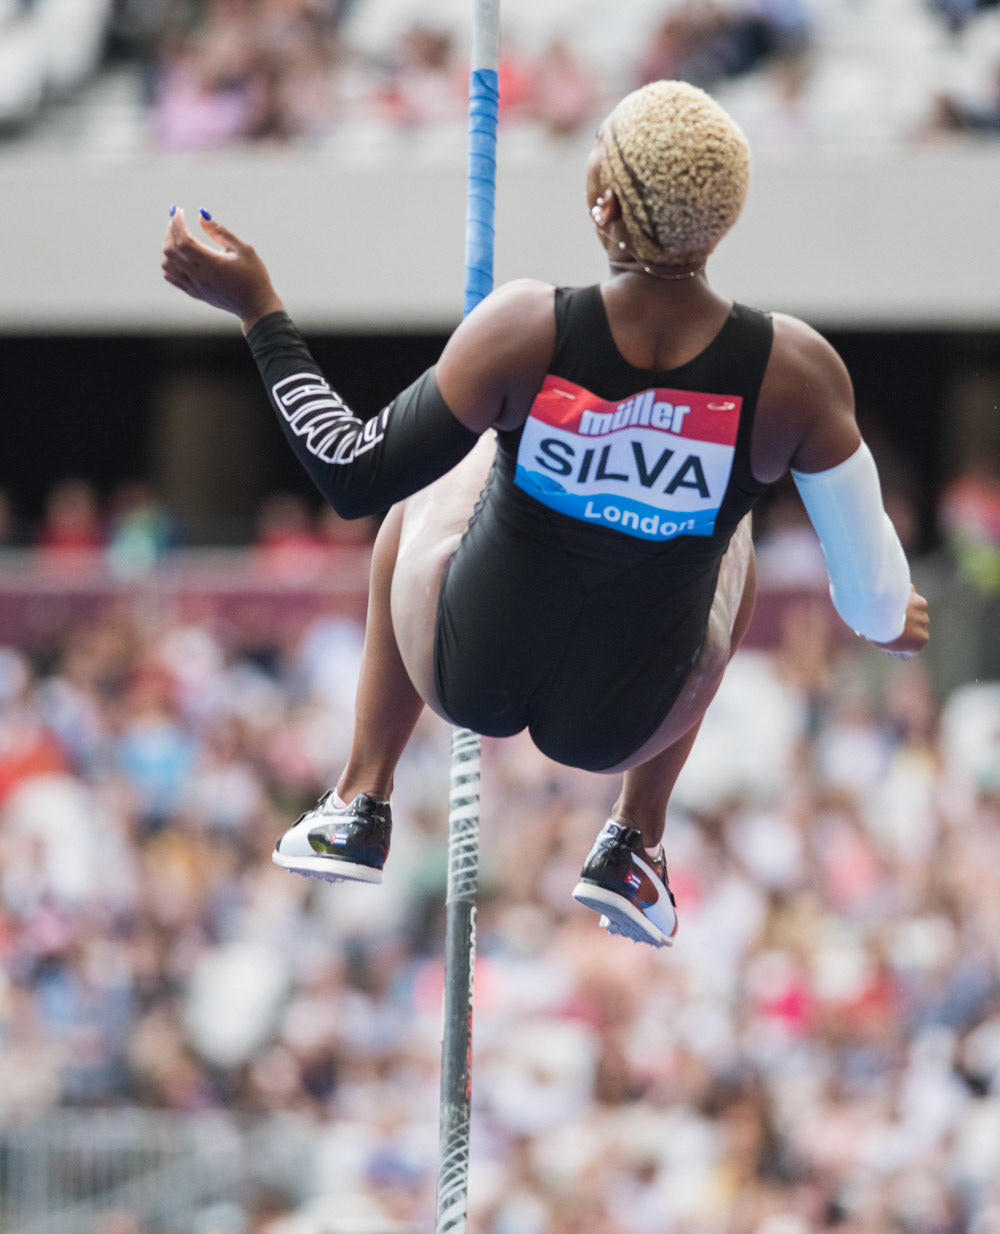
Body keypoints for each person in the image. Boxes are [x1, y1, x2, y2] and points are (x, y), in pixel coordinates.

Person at [161, 80, 929, 949]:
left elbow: (352, 473)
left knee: (454, 455)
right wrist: (890, 615)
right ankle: (634, 842)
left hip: (464, 668)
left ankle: (358, 799)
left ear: (602, 202)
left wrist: (258, 310)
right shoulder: (796, 372)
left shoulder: (529, 327)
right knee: (737, 516)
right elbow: (872, 604)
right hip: (626, 720)